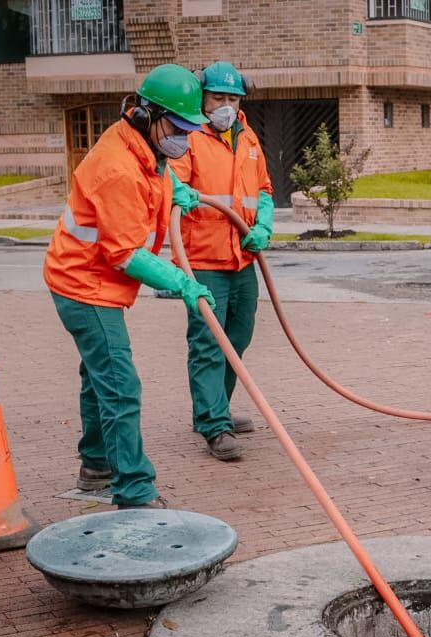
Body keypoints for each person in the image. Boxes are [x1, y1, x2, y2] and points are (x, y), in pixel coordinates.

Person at [42, 63, 215, 509]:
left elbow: (155, 169)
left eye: (189, 129)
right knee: (120, 384)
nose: (183, 138)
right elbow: (124, 253)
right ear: (145, 114)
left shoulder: (139, 145)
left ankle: (96, 464)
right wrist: (182, 283)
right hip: (84, 286)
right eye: (177, 127)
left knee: (96, 376)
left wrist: (176, 187)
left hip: (87, 278)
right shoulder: (118, 167)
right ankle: (134, 490)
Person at [168, 61, 274, 462]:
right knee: (209, 343)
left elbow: (263, 188)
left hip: (243, 257)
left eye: (233, 98)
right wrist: (181, 192)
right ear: (203, 97)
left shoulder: (247, 137)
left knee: (239, 337)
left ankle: (218, 408)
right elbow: (169, 179)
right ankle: (214, 424)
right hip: (204, 258)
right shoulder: (188, 135)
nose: (226, 105)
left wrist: (263, 224)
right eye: (218, 98)